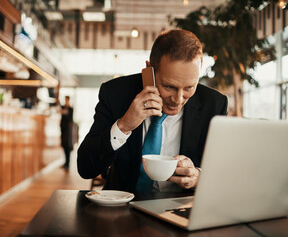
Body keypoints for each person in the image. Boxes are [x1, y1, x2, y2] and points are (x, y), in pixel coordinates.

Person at [77, 29, 228, 192]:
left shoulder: (214, 104)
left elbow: (225, 171)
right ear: (149, 70)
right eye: (169, 86)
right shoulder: (115, 94)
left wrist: (199, 177)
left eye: (189, 87)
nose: (178, 99)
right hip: (122, 207)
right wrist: (124, 126)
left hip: (180, 209)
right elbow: (86, 168)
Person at [60, 96, 74, 170]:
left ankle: (68, 164)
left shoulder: (70, 109)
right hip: (63, 130)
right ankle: (65, 162)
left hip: (68, 131)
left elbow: (69, 118)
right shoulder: (63, 107)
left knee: (67, 147)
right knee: (64, 146)